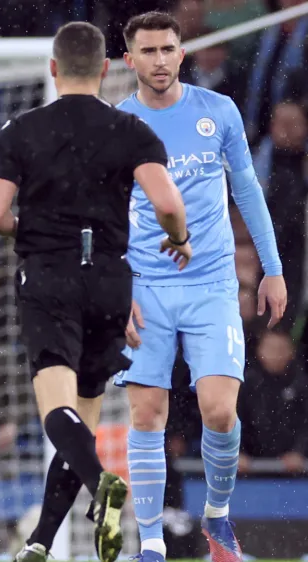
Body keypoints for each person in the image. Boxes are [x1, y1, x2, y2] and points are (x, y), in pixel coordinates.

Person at [0, 21, 190, 562]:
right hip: (110, 284)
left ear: (53, 69)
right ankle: (41, 542)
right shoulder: (132, 130)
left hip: (49, 275)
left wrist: (32, 231)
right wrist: (179, 239)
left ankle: (103, 488)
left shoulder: (20, 130)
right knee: (84, 420)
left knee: (56, 410)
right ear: (106, 69)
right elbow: (167, 204)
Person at [114, 13, 286, 562]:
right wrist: (110, 289)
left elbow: (249, 191)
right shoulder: (119, 124)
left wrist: (273, 267)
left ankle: (216, 518)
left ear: (181, 53)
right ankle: (149, 544)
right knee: (146, 415)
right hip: (144, 287)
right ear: (130, 60)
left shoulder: (218, 112)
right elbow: (102, 212)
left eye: (168, 49)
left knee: (218, 411)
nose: (160, 60)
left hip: (212, 284)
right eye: (149, 51)